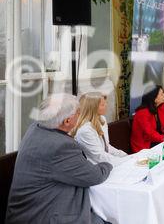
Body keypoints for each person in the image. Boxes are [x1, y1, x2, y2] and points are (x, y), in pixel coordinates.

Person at [6, 94, 112, 224]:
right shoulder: (60, 146)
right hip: (42, 215)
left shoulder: (36, 128)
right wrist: (107, 165)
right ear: (67, 121)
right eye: (78, 113)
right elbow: (95, 176)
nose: (80, 116)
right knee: (112, 216)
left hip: (31, 208)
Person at [72, 92, 128, 166]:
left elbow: (106, 147)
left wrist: (124, 156)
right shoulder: (84, 131)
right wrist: (123, 161)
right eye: (102, 105)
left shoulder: (102, 119)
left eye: (105, 103)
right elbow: (99, 156)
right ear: (93, 108)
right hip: (95, 167)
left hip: (106, 163)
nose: (106, 106)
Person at [130, 85, 164, 153]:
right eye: (161, 94)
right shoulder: (142, 113)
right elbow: (150, 134)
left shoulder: (160, 107)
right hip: (145, 146)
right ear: (154, 98)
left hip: (157, 140)